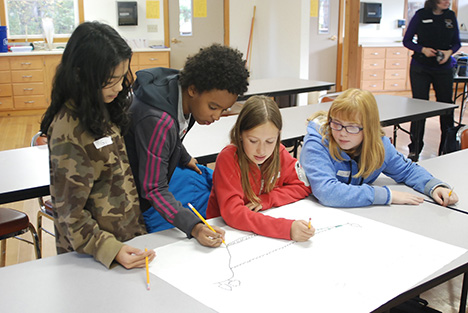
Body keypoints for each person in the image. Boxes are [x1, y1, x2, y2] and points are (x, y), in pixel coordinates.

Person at [40, 21, 155, 269]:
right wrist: (112, 250)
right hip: (93, 257)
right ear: (82, 75)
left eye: (122, 77)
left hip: (124, 241)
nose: (119, 87)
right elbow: (71, 215)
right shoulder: (68, 131)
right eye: (110, 81)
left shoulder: (100, 107)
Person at [125, 44, 250, 247]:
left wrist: (183, 157)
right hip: (130, 196)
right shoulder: (158, 119)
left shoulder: (181, 91)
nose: (217, 116)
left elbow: (173, 132)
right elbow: (154, 188)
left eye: (224, 109)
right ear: (193, 90)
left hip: (148, 171)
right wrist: (194, 226)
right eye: (213, 107)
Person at [300, 88, 459, 208]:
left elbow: (407, 170)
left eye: (352, 127)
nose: (342, 133)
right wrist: (387, 195)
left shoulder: (379, 145)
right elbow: (328, 192)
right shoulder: (318, 143)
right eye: (336, 124)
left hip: (362, 213)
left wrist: (434, 186)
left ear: (369, 128)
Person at [206, 96, 315, 241]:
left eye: (270, 141)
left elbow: (303, 185)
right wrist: (286, 229)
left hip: (258, 231)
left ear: (278, 135)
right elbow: (233, 213)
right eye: (253, 141)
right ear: (240, 134)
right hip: (225, 234)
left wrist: (267, 199)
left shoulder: (279, 152)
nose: (261, 150)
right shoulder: (229, 158)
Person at [403, 0, 461, 161]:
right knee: (419, 108)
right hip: (420, 67)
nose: (447, 2)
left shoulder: (450, 16)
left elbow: (457, 43)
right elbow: (407, 41)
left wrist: (449, 52)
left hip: (443, 69)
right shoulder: (421, 15)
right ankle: (414, 149)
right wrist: (422, 49)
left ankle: (447, 148)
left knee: (446, 107)